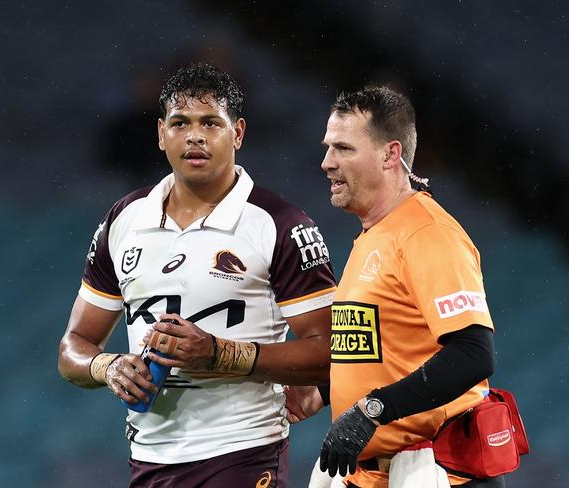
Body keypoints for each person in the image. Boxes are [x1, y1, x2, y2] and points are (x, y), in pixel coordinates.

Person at [58, 62, 336, 488]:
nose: (195, 136)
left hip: (243, 452)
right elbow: (73, 349)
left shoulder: (279, 224)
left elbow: (331, 353)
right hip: (148, 458)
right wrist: (108, 367)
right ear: (160, 134)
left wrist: (220, 354)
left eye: (211, 122)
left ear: (238, 133)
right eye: (180, 123)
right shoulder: (125, 220)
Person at [285, 86, 502, 488]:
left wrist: (371, 410)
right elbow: (384, 350)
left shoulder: (426, 233)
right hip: (373, 475)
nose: (326, 163)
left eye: (343, 149)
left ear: (390, 154)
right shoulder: (374, 234)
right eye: (328, 148)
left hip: (439, 476)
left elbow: (474, 353)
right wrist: (322, 391)